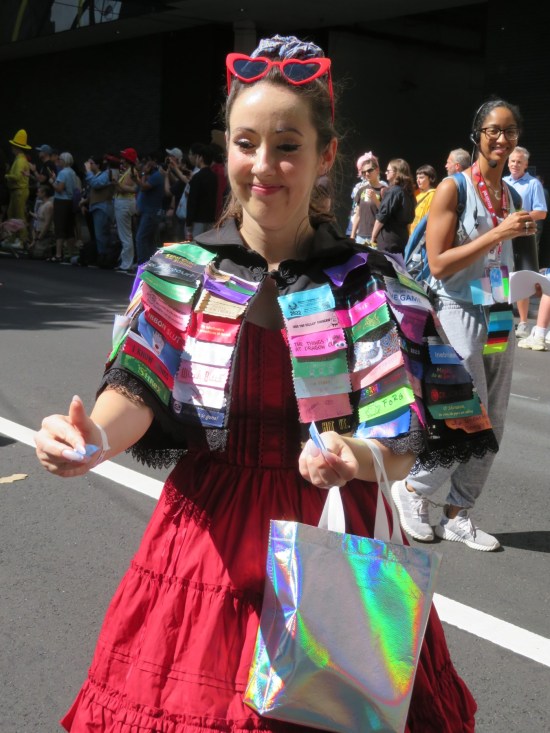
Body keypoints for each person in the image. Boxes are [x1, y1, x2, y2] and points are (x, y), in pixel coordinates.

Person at [35, 34, 498, 732]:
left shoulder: (371, 283)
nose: (264, 165)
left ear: (325, 155)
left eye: (287, 144)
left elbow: (401, 439)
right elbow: (137, 388)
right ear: (227, 148)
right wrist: (91, 436)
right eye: (247, 142)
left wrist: (359, 457)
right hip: (204, 553)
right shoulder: (179, 270)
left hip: (333, 542)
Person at [391, 99, 535, 552]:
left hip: (495, 313)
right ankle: (414, 490)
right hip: (456, 311)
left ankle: (459, 512)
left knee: (493, 419)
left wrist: (521, 285)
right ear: (478, 133)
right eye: (494, 130)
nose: (502, 139)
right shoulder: (454, 189)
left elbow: (498, 260)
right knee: (462, 415)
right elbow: (438, 262)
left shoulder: (509, 196)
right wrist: (498, 234)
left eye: (510, 132)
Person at [503, 146, 548, 338]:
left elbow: (541, 212)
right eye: (512, 161)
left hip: (523, 237)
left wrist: (518, 218)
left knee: (520, 277)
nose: (515, 164)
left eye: (519, 162)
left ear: (526, 164)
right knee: (503, 274)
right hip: (503, 235)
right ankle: (503, 316)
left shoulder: (533, 184)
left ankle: (522, 322)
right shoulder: (502, 181)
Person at [370, 158, 416, 252]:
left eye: (388, 170)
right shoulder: (409, 193)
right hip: (402, 237)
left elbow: (382, 216)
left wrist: (373, 236)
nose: (386, 172)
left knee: (386, 264)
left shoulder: (394, 191)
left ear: (396, 173)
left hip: (389, 239)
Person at [134, 152, 165, 264]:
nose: (146, 164)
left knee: (141, 238)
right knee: (150, 240)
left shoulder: (156, 176)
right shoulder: (153, 175)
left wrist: (142, 173)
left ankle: (142, 264)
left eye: (149, 160)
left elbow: (143, 187)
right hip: (148, 212)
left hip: (151, 213)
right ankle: (151, 264)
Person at [49, 152, 78, 262]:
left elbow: (59, 188)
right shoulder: (72, 172)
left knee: (60, 227)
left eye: (60, 159)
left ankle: (58, 254)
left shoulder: (63, 172)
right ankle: (72, 253)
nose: (58, 161)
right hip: (70, 201)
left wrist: (52, 182)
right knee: (69, 228)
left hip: (61, 201)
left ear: (64, 161)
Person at [349, 153, 385, 244]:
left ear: (377, 170)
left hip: (377, 236)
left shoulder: (385, 190)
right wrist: (352, 236)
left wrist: (375, 199)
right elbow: (358, 214)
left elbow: (385, 213)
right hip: (360, 237)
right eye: (364, 172)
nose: (367, 174)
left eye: (369, 170)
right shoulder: (361, 190)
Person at [5, 129, 32, 246]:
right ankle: (14, 238)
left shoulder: (20, 160)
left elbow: (16, 177)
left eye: (13, 146)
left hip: (19, 191)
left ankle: (22, 239)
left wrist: (6, 175)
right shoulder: (20, 159)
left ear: (16, 147)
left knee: (19, 215)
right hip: (17, 191)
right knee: (12, 213)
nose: (11, 148)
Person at [113, 147, 139, 271]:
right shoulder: (130, 171)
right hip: (125, 203)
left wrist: (116, 183)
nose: (122, 160)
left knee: (125, 234)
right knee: (126, 234)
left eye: (124, 157)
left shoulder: (131, 172)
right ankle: (126, 261)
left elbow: (128, 188)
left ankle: (126, 263)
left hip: (124, 203)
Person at [185, 143, 218, 238]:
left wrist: (188, 224)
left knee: (195, 247)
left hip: (197, 221)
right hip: (210, 219)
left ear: (201, 158)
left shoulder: (197, 177)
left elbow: (192, 201)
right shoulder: (214, 177)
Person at [409, 164, 438, 233]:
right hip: (411, 234)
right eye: (417, 178)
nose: (418, 180)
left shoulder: (433, 194)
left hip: (422, 235)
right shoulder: (417, 195)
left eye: (421, 178)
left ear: (431, 178)